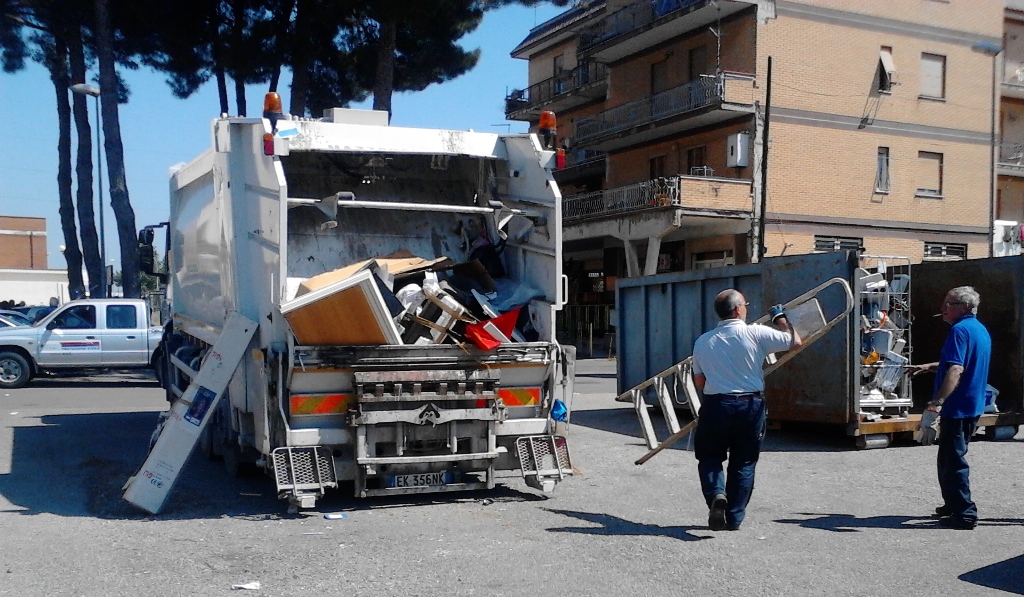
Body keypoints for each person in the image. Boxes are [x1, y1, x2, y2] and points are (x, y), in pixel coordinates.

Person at [690, 289, 801, 531]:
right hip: (750, 405)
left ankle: (716, 494)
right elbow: (794, 341)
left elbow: (700, 382)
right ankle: (735, 517)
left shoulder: (703, 341)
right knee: (744, 462)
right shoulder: (755, 333)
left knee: (709, 456)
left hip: (716, 404)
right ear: (738, 309)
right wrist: (780, 318)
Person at [909, 286, 991, 530]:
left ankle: (965, 513)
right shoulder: (978, 329)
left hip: (958, 406)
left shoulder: (959, 330)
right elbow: (954, 364)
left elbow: (957, 369)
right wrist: (929, 367)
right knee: (947, 458)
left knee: (953, 460)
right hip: (971, 404)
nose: (943, 308)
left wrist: (936, 402)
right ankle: (952, 504)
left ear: (964, 307)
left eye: (949, 303)